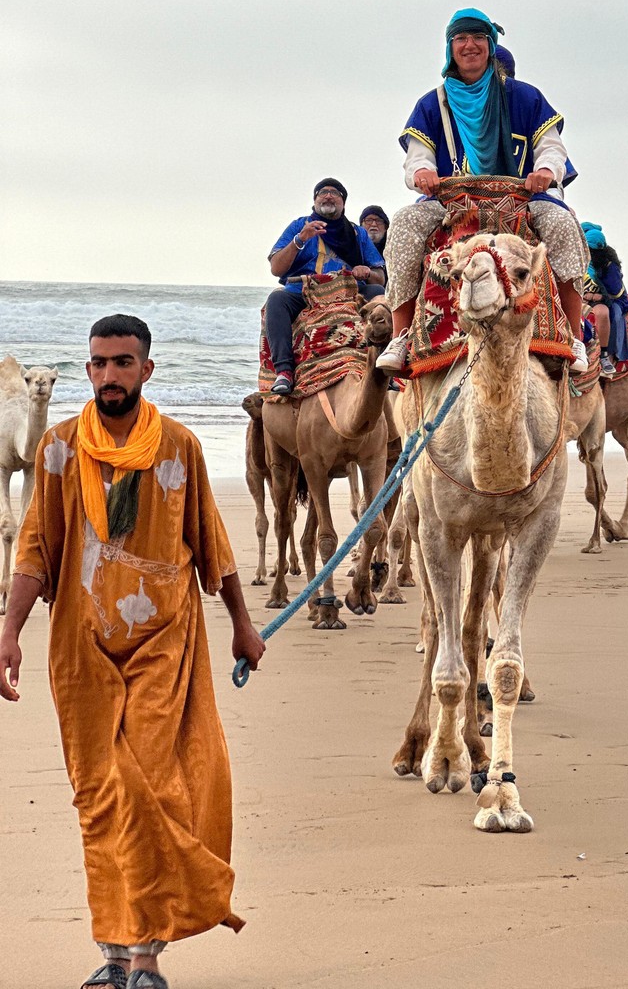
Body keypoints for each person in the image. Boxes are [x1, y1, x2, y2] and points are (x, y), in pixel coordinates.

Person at [0, 314, 266, 989]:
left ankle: (145, 955)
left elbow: (212, 545)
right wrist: (8, 631)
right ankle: (116, 953)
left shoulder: (179, 447)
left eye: (122, 363)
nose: (109, 375)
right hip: (80, 649)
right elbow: (35, 552)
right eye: (98, 363)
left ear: (147, 370)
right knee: (103, 796)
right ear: (86, 369)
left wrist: (242, 623)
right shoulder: (59, 449)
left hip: (163, 645)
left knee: (148, 788)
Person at [377, 8, 590, 373]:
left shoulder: (525, 98)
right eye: (461, 38)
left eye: (478, 38)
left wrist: (544, 170)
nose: (469, 45)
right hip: (452, 202)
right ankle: (401, 337)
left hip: (522, 200)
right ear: (450, 48)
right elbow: (416, 159)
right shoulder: (433, 104)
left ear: (490, 46)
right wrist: (424, 171)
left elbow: (552, 148)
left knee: (563, 225)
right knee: (404, 224)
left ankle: (573, 337)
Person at [266, 178, 386, 395]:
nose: (329, 195)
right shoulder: (299, 226)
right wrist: (300, 240)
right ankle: (284, 371)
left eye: (335, 193)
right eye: (323, 192)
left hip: (348, 292)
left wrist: (367, 272)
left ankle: (381, 363)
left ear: (343, 203)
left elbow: (380, 277)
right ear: (315, 200)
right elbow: (276, 267)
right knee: (276, 300)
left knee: (378, 295)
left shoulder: (357, 233)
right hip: (304, 292)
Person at [582, 223, 628, 376]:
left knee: (613, 316)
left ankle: (607, 355)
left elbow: (615, 291)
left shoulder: (609, 265)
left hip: (610, 298)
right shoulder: (579, 258)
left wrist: (597, 296)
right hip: (583, 295)